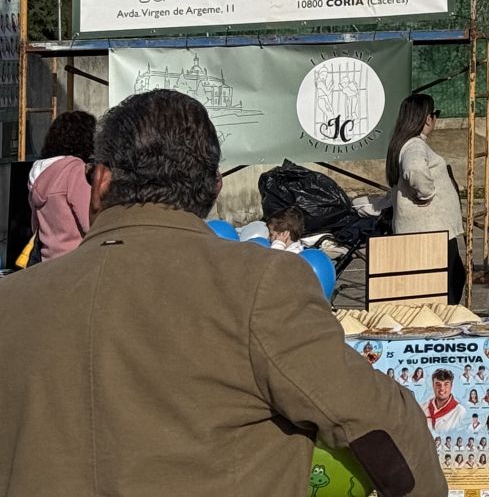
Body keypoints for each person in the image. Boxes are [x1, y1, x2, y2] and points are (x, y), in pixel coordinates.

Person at [0, 89, 445, 495]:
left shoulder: (12, 302)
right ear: (213, 190)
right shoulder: (259, 286)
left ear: (100, 182)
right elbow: (383, 428)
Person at [386, 93, 467, 303]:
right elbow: (414, 169)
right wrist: (427, 193)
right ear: (426, 118)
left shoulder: (405, 143)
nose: (434, 119)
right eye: (434, 114)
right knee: (445, 284)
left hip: (431, 229)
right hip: (431, 230)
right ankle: (443, 326)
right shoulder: (414, 144)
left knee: (451, 277)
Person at [27, 109, 95, 262]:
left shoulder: (38, 173)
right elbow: (90, 223)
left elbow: (34, 225)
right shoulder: (74, 170)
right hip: (77, 261)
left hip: (47, 262)